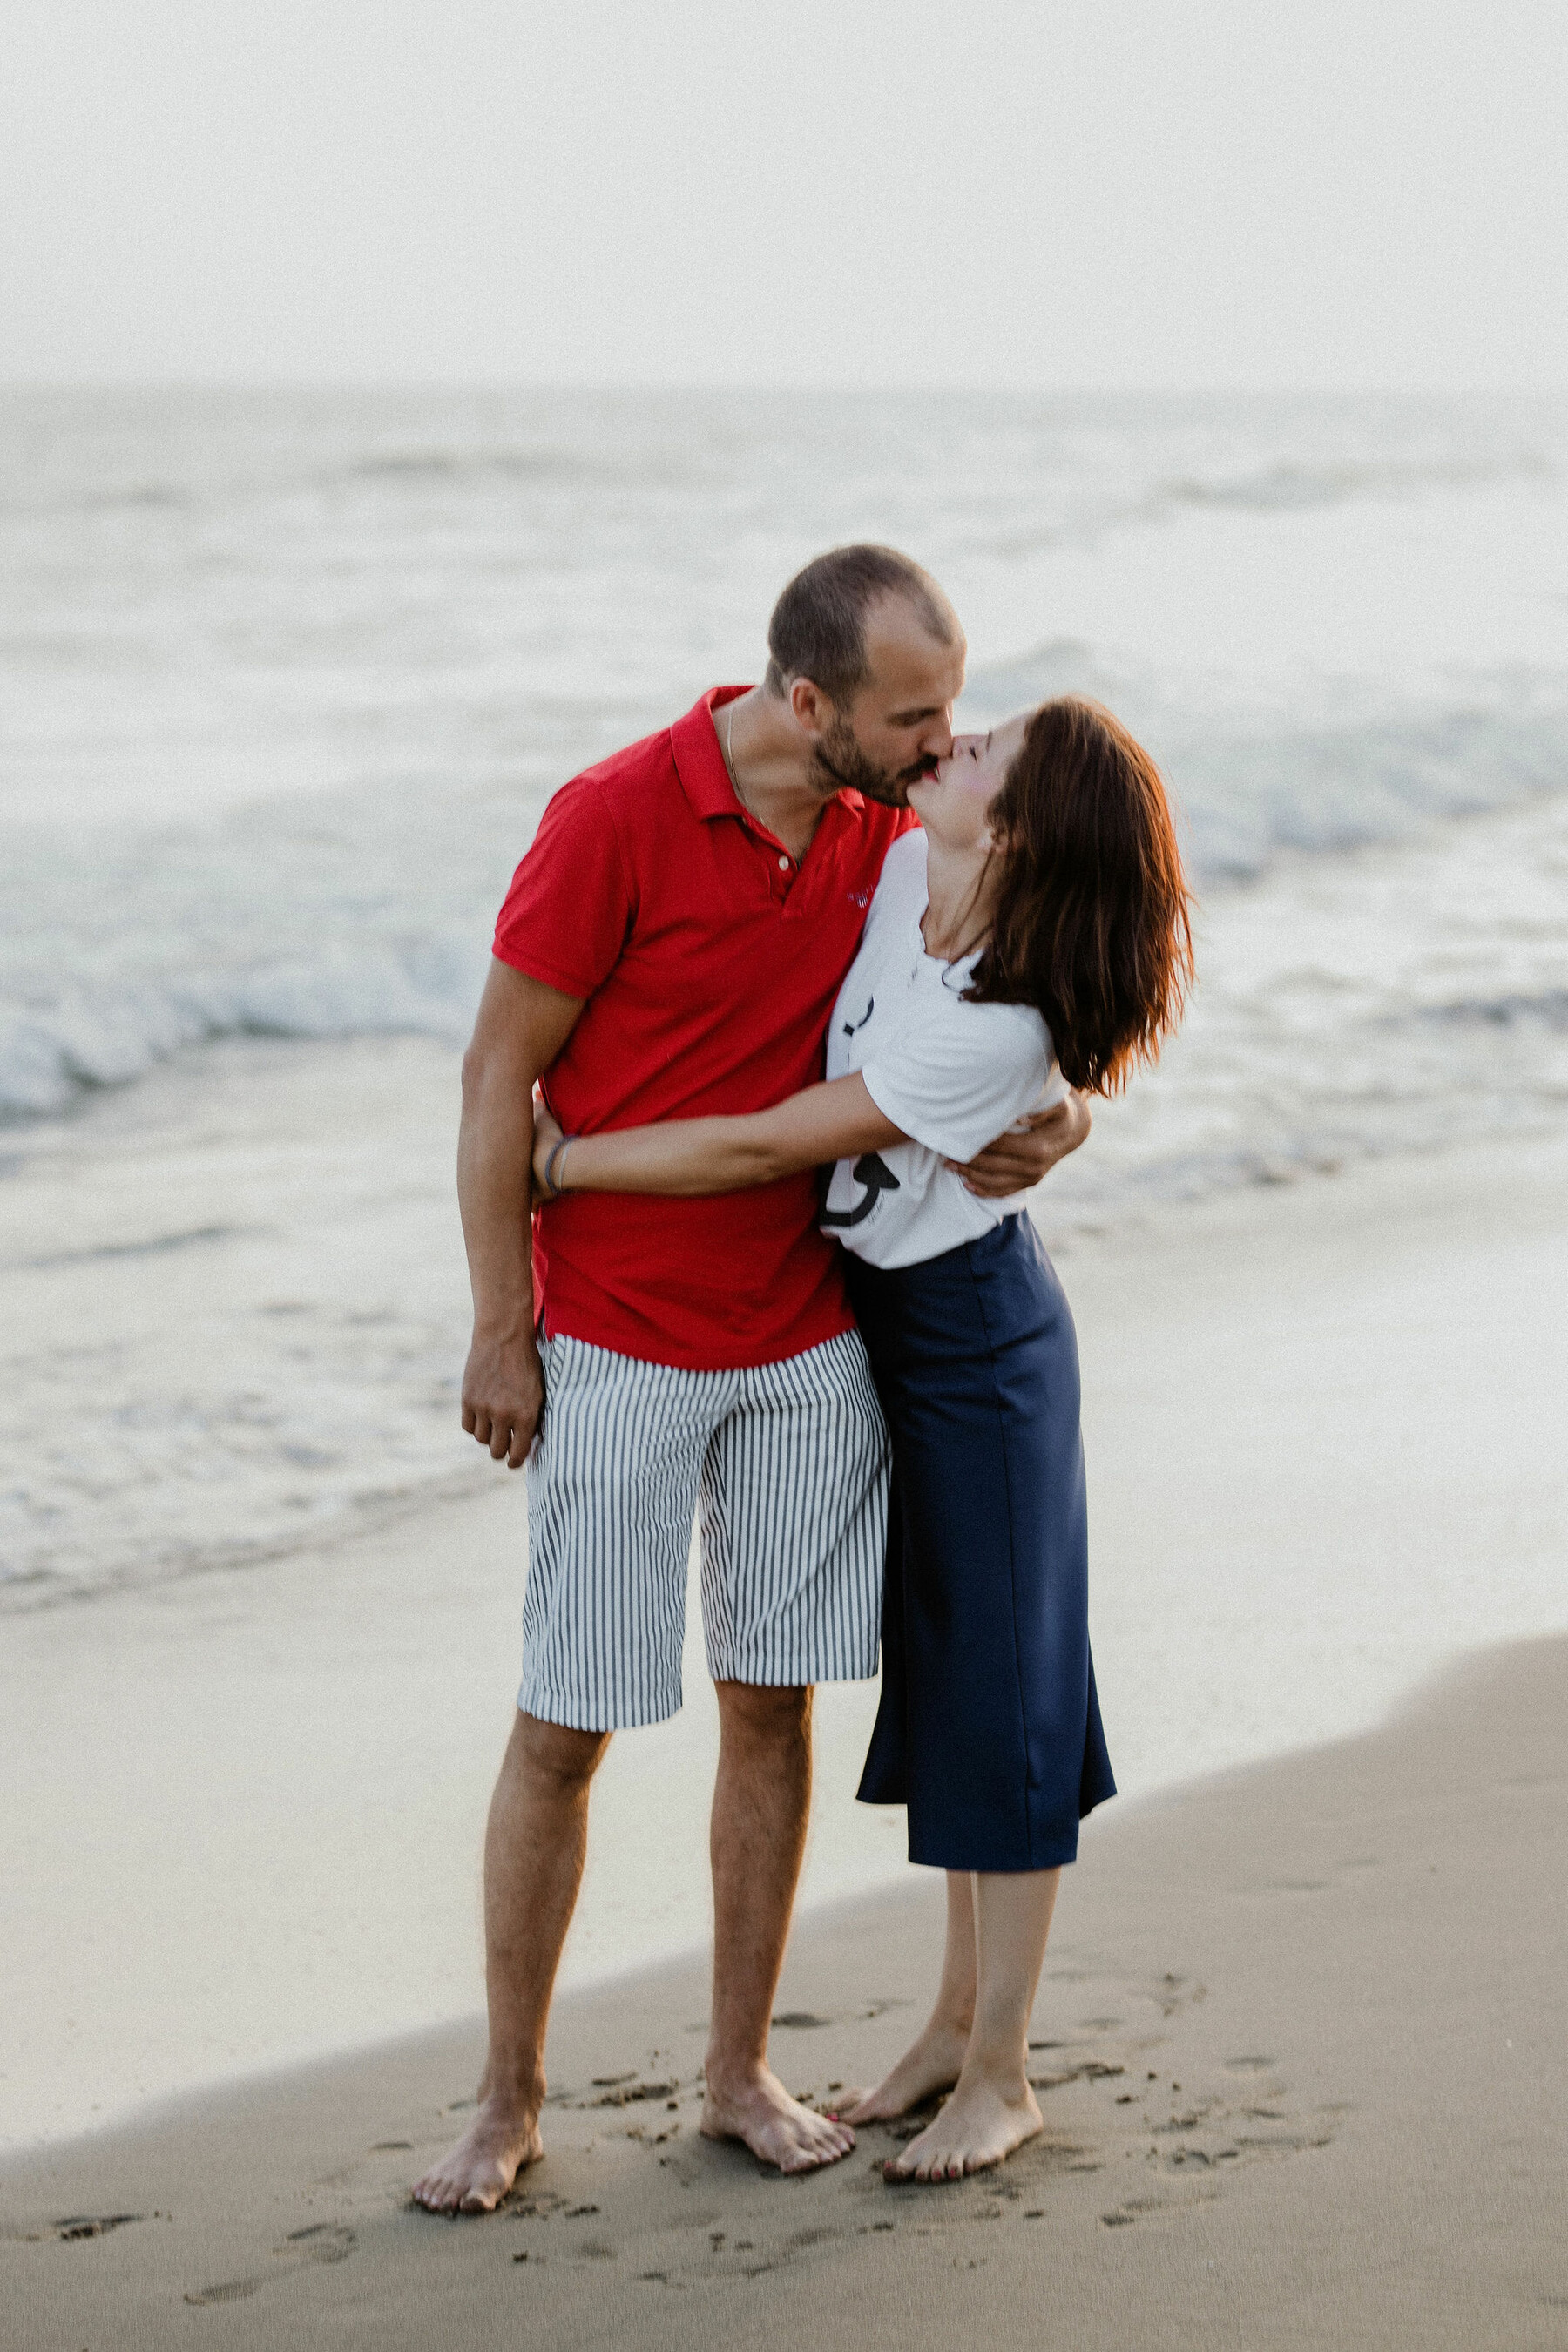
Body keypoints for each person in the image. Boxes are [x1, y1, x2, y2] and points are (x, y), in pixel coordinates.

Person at [411, 548, 1092, 2214]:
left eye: (953, 711)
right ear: (811, 705)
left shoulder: (885, 828)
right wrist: (501, 1324)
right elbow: (500, 1072)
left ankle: (735, 2071)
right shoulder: (613, 819)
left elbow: (1007, 981)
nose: (946, 746)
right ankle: (507, 2101)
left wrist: (1067, 1116)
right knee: (565, 1725)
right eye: (912, 716)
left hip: (807, 1341)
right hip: (620, 1345)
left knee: (771, 1711)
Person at [527, 694, 1193, 2182]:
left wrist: (569, 1161)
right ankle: (955, 2025)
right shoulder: (907, 871)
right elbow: (791, 751)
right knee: (954, 1676)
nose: (952, 747)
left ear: (1010, 827)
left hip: (982, 1347)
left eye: (985, 752)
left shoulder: (997, 1021)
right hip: (884, 1332)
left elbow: (775, 1142)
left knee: (1010, 1698)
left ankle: (1005, 2074)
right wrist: (1072, 1116)